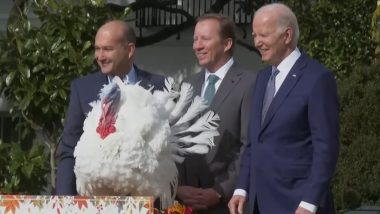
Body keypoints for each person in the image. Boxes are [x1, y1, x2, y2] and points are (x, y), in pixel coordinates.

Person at [228, 3, 340, 214]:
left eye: (263, 35)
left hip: (297, 204)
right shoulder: (262, 79)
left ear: (287, 35)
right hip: (258, 204)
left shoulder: (317, 78)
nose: (257, 42)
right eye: (254, 35)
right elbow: (254, 142)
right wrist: (242, 188)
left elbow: (326, 148)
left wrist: (309, 203)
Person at [56, 20, 165, 195]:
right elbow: (69, 150)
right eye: (97, 49)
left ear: (129, 50)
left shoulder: (160, 87)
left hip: (148, 202)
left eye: (107, 49)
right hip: (95, 203)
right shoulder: (82, 89)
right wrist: (63, 203)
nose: (100, 56)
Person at [176, 13, 258, 214]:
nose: (197, 45)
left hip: (228, 205)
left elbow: (249, 145)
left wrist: (221, 191)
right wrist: (178, 188)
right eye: (195, 39)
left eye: (205, 38)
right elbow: (176, 142)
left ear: (227, 43)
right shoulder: (186, 86)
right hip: (187, 204)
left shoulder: (251, 83)